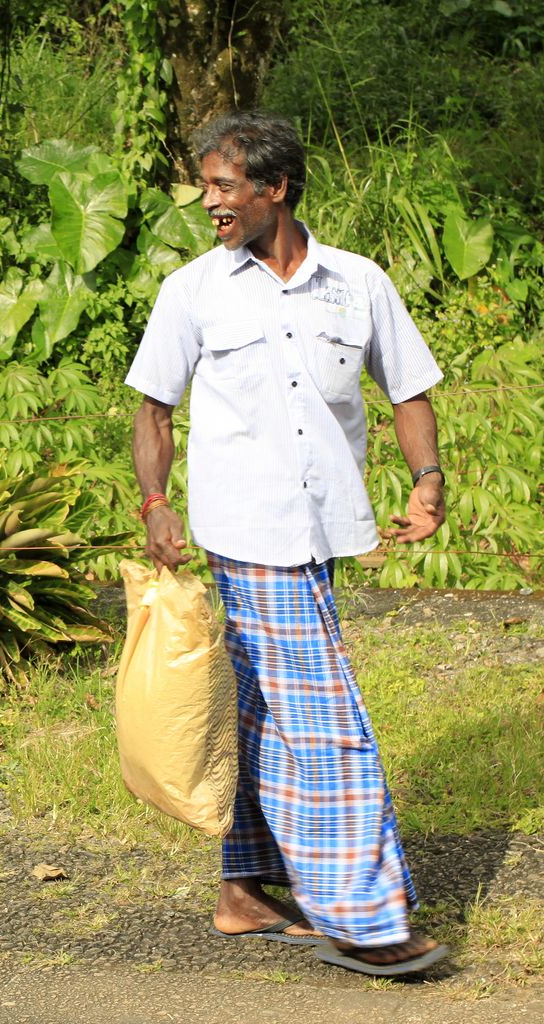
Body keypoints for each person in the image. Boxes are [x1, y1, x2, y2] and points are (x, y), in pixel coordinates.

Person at [125, 111, 448, 977]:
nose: (210, 202)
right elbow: (152, 408)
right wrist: (157, 501)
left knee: (265, 706)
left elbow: (409, 388)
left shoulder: (358, 283)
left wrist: (428, 479)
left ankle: (243, 890)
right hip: (244, 530)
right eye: (208, 186)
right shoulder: (195, 289)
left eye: (226, 186)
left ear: (277, 189)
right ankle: (366, 915)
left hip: (325, 529)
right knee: (322, 712)